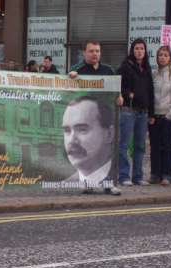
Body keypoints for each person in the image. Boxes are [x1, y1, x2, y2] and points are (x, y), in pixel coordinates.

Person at [68, 40, 124, 195]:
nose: (95, 54)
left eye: (97, 51)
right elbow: (67, 88)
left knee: (107, 149)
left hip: (105, 115)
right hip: (85, 117)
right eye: (91, 51)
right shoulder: (77, 70)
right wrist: (70, 77)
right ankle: (87, 183)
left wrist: (119, 97)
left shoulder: (108, 70)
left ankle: (109, 184)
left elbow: (116, 89)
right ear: (84, 53)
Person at [117, 38, 154, 186]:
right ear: (132, 50)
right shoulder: (125, 66)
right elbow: (117, 83)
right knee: (124, 144)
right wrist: (127, 94)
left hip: (143, 111)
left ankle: (137, 176)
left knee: (140, 145)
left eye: (142, 49)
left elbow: (150, 91)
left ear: (145, 52)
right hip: (128, 109)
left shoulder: (147, 68)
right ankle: (124, 176)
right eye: (137, 48)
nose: (139, 51)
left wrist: (151, 113)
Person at [62, 96, 115, 188]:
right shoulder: (64, 185)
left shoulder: (118, 175)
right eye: (67, 130)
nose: (71, 140)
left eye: (82, 129)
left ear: (109, 134)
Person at [149, 46, 171, 186]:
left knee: (167, 146)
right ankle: (155, 174)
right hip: (154, 116)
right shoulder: (153, 74)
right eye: (160, 55)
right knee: (154, 146)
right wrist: (150, 114)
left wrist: (170, 115)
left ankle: (167, 175)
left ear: (170, 58)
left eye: (165, 55)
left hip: (167, 116)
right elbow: (149, 95)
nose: (162, 57)